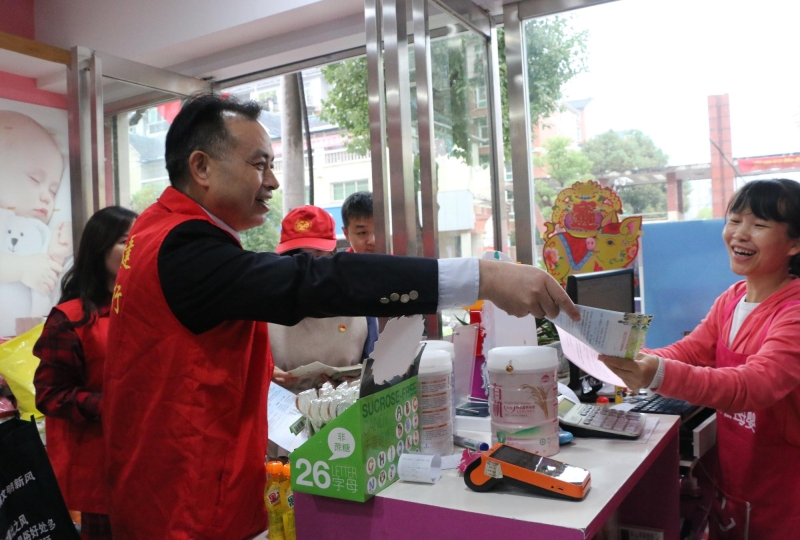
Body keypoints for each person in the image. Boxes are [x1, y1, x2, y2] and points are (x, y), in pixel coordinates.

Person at [103, 93, 578, 540]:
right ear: (202, 166)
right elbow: (314, 281)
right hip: (184, 502)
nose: (271, 182)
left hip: (165, 484)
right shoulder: (183, 246)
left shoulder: (155, 233)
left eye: (273, 166)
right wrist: (481, 278)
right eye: (259, 165)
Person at [599, 179, 800, 540]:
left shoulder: (794, 311)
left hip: (785, 492)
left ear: (795, 244)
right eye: (734, 220)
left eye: (759, 224)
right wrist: (637, 358)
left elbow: (753, 385)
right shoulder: (732, 298)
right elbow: (691, 351)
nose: (740, 234)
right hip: (735, 479)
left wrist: (655, 373)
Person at [33, 205, 136, 540]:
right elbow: (50, 394)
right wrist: (111, 406)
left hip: (152, 460)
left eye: (140, 239)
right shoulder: (71, 319)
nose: (135, 248)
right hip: (100, 466)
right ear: (99, 249)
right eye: (125, 240)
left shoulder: (149, 310)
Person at [268, 204, 376, 393]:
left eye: (317, 257)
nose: (307, 269)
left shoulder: (359, 305)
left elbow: (376, 369)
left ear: (333, 255)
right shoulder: (262, 309)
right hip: (282, 408)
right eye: (298, 258)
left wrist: (359, 382)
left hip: (347, 408)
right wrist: (264, 374)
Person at [0, 110, 72, 337]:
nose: (47, 197)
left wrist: (56, 257)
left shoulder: (41, 232)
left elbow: (46, 287)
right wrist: (22, 268)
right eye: (34, 179)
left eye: (53, 190)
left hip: (23, 339)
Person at [341, 190, 379, 353]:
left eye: (379, 230)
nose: (372, 241)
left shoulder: (402, 268)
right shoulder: (338, 273)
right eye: (362, 233)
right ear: (346, 234)